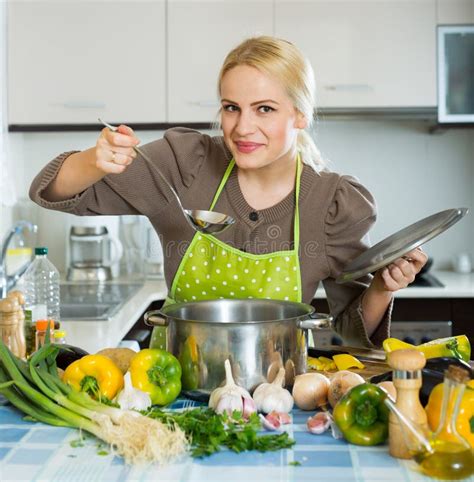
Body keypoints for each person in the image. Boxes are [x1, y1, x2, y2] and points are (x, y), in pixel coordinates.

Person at [29, 36, 427, 349]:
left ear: (300, 115)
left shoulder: (332, 204)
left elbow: (353, 331)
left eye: (265, 109)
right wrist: (94, 161)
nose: (242, 127)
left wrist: (382, 288)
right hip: (174, 388)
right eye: (231, 107)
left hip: (277, 392)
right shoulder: (186, 164)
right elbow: (53, 191)